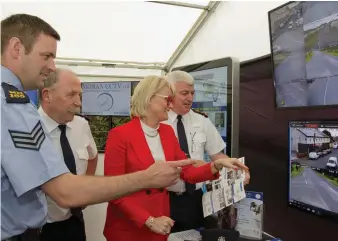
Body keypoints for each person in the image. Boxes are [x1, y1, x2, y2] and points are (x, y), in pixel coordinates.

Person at [1, 13, 193, 241]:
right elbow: (65, 192)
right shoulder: (11, 105)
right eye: (46, 56)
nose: (52, 67)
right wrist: (146, 178)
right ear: (16, 47)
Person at [103, 75, 249, 241]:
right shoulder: (120, 135)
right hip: (129, 228)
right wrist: (149, 220)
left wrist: (217, 165)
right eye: (168, 98)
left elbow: (188, 172)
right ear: (149, 99)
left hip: (161, 225)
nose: (170, 103)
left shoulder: (166, 132)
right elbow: (113, 191)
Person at [165, 70, 251, 232]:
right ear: (170, 93)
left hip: (195, 200)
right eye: (184, 93)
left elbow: (218, 155)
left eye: (192, 93)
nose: (190, 98)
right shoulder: (159, 121)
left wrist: (237, 172)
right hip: (165, 198)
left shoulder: (201, 121)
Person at [37, 68, 98, 241]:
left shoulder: (81, 126)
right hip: (41, 229)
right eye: (71, 94)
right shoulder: (28, 128)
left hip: (75, 222)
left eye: (79, 95)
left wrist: (86, 192)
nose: (78, 103)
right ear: (47, 95)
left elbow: (92, 157)